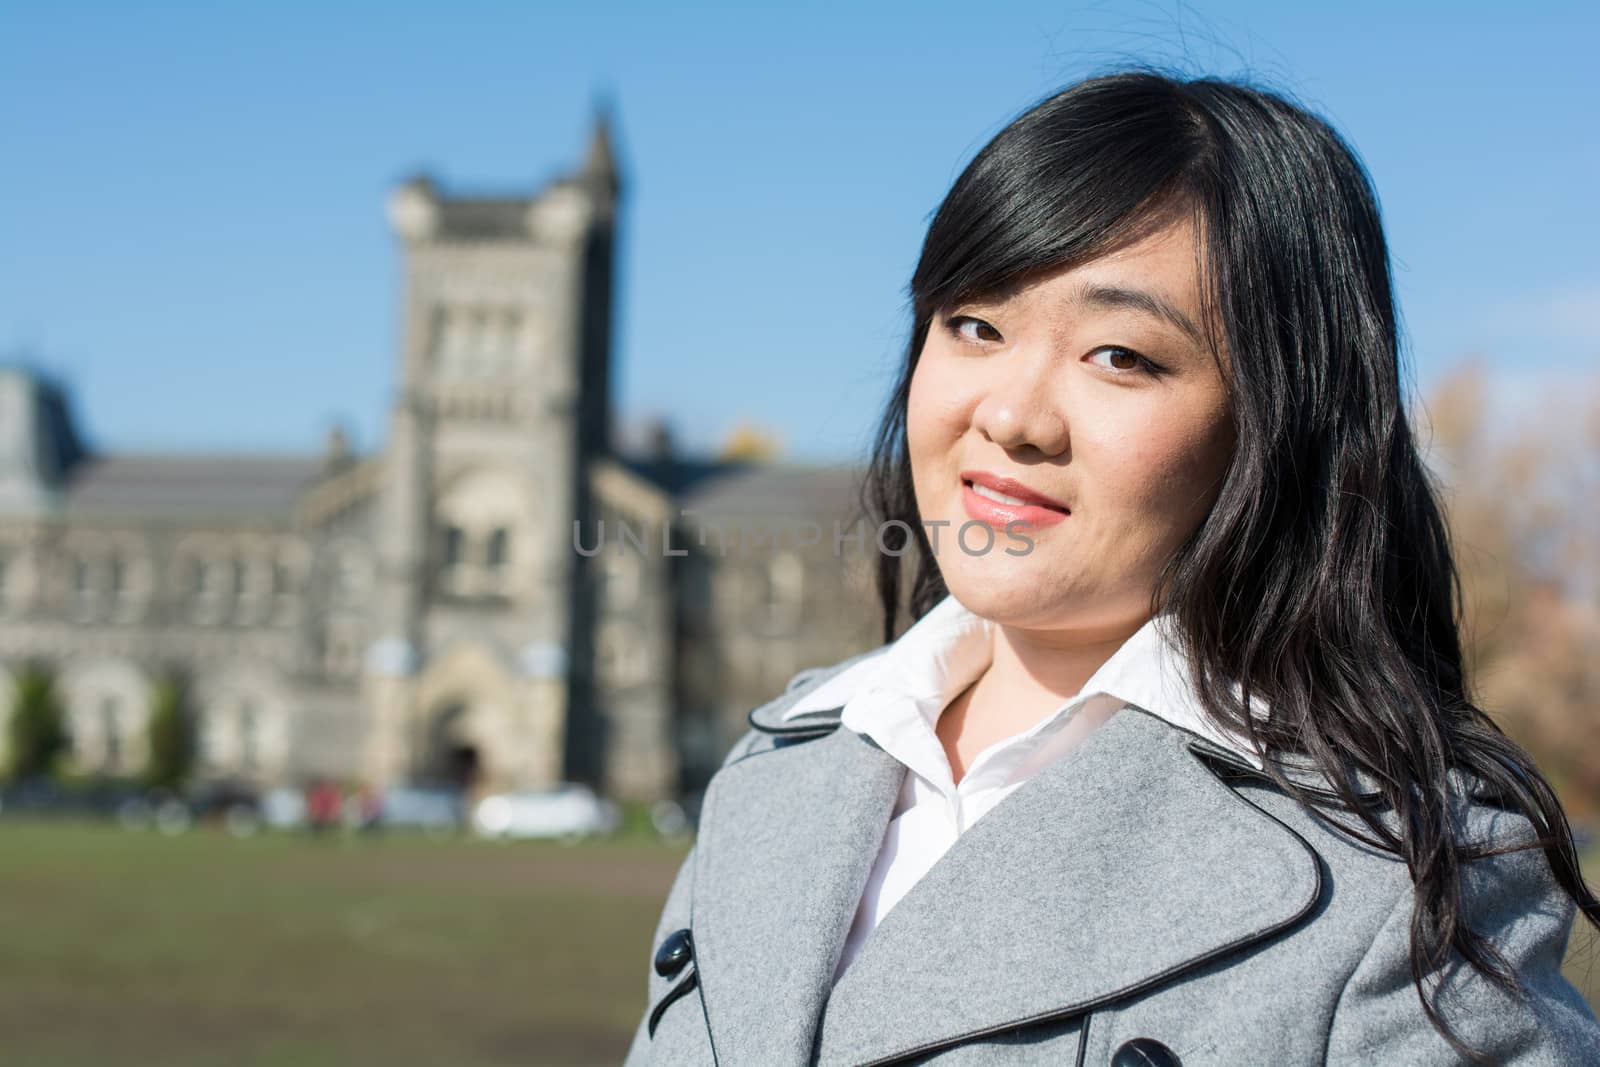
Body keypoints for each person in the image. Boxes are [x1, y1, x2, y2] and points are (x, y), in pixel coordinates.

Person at [623, 67, 1600, 1066]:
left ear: (1276, 424)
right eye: (974, 325)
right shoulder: (778, 769)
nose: (1008, 415)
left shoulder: (1403, 885)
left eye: (1119, 355)